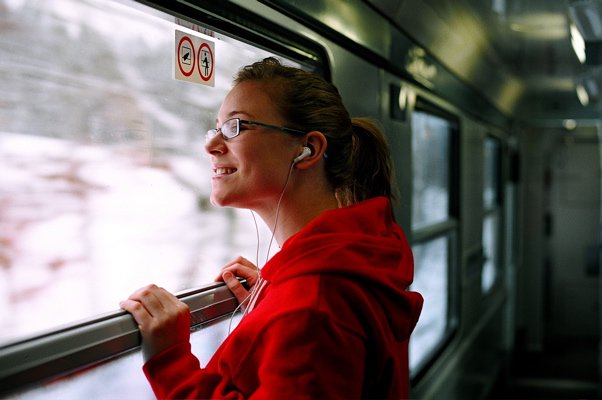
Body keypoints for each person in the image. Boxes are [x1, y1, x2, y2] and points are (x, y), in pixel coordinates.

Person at [120, 57, 423, 399]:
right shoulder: (343, 263)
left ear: (307, 149)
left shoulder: (314, 305)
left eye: (235, 127)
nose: (210, 145)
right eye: (215, 128)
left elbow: (314, 325)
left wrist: (170, 361)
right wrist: (274, 300)